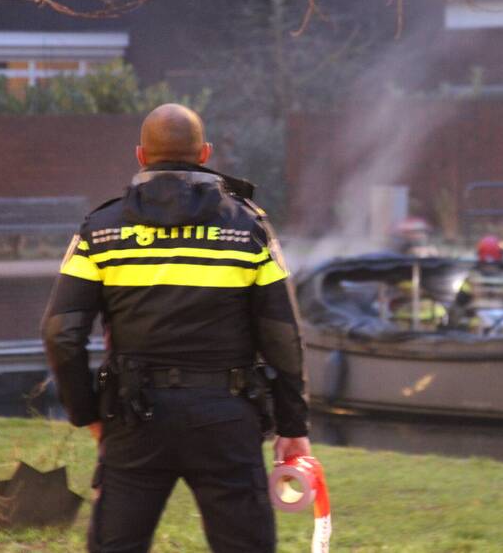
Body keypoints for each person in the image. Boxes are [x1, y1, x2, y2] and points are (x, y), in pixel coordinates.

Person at [41, 103, 309, 552]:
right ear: (204, 153)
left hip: (134, 417)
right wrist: (293, 425)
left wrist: (87, 414)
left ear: (141, 156)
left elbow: (60, 333)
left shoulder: (100, 231)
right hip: (227, 418)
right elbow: (282, 334)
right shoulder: (248, 229)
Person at [451, 235, 503, 332]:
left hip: (477, 323)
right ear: (500, 254)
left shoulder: (472, 278)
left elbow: (460, 302)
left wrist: (454, 324)